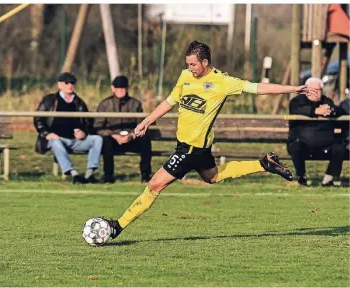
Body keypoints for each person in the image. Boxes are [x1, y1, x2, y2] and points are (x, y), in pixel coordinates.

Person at [102, 40, 318, 240]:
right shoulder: (185, 77)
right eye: (188, 64)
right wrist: (146, 122)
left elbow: (257, 88)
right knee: (212, 177)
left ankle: (117, 227)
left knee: (154, 185)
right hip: (192, 147)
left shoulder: (221, 81)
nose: (190, 68)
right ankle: (263, 164)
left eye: (193, 64)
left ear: (205, 62)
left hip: (191, 149)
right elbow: (169, 102)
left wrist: (294, 89)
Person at [34, 72, 103, 184]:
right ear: (59, 85)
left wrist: (84, 132)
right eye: (67, 83)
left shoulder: (79, 102)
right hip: (59, 139)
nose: (70, 85)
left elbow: (88, 122)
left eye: (72, 83)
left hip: (76, 140)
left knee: (97, 139)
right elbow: (38, 119)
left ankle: (90, 174)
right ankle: (73, 173)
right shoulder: (49, 100)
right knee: (55, 141)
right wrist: (47, 134)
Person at [287, 77, 346, 187]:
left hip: (326, 145)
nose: (316, 93)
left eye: (318, 90)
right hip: (303, 144)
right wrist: (314, 111)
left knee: (339, 149)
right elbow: (296, 110)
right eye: (313, 90)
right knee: (296, 147)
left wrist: (331, 110)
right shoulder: (296, 102)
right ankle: (301, 178)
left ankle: (328, 180)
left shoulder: (326, 101)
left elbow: (340, 111)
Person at [94, 76, 152, 183]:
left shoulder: (135, 104)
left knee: (145, 140)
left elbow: (140, 124)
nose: (121, 90)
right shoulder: (105, 104)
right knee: (106, 142)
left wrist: (131, 135)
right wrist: (113, 135)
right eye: (118, 87)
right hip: (113, 140)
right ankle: (108, 176)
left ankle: (145, 175)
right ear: (113, 88)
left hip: (131, 139)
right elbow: (98, 126)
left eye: (123, 87)